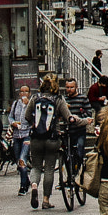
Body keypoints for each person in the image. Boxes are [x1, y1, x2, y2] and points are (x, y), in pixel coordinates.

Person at [26, 75, 74, 208]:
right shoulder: (58, 99)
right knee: (49, 169)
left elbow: (26, 115)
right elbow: (68, 116)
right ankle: (46, 200)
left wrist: (34, 125)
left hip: (36, 138)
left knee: (36, 166)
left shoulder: (35, 98)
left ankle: (34, 186)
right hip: (52, 138)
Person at [9, 83, 38, 194]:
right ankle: (26, 180)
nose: (23, 93)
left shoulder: (32, 104)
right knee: (18, 160)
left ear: (29, 93)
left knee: (22, 159)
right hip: (17, 135)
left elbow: (35, 118)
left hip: (27, 134)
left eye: (26, 91)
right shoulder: (16, 104)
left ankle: (23, 187)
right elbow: (10, 116)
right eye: (22, 91)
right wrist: (13, 123)